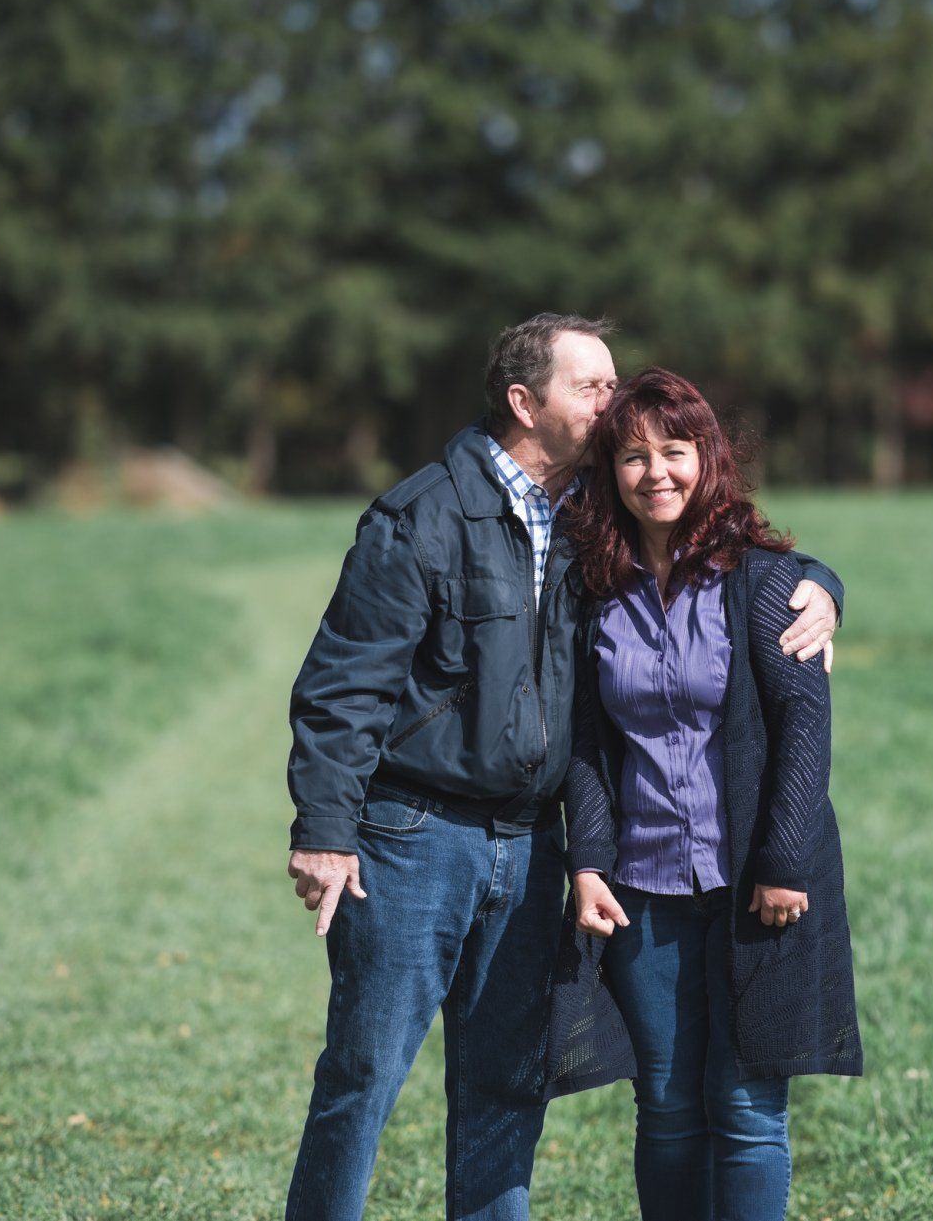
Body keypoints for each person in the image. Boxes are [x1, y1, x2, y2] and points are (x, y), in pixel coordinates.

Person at [281, 315, 846, 1221]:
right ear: (523, 401)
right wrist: (324, 829)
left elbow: (716, 533)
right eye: (591, 386)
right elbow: (344, 682)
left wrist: (822, 582)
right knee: (364, 1074)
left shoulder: (589, 521)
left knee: (509, 1085)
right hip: (415, 837)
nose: (610, 401)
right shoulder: (421, 515)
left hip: (533, 845)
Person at [549, 369, 863, 1221]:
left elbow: (806, 728)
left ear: (708, 458)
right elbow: (585, 742)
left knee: (749, 1109)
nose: (656, 472)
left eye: (675, 451)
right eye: (633, 456)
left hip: (757, 889)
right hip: (639, 891)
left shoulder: (763, 582)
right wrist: (587, 862)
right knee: (668, 1107)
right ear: (609, 471)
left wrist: (783, 862)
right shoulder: (592, 588)